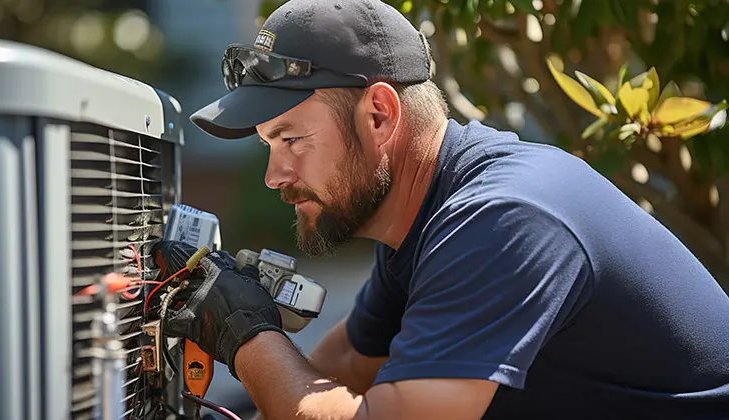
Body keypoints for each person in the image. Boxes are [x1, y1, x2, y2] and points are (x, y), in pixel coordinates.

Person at [159, 0, 729, 418]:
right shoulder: (422, 214)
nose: (274, 176)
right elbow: (347, 367)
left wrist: (249, 337)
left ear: (379, 116)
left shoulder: (502, 218)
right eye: (268, 146)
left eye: (293, 141)